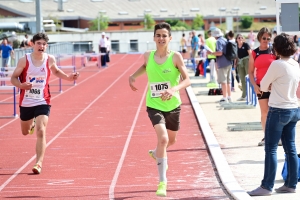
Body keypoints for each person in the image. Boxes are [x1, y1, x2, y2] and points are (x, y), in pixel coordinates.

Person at [128, 22, 190, 197]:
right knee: (162, 139)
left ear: (170, 38)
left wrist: (173, 89)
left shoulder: (176, 57)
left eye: (164, 35)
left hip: (173, 105)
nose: (161, 38)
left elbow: (187, 80)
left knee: (171, 141)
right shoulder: (148, 55)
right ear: (154, 38)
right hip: (154, 104)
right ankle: (162, 182)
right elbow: (145, 66)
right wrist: (133, 76)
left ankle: (156, 154)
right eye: (158, 35)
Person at [10, 32, 80, 174]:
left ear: (46, 46)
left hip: (43, 100)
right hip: (26, 101)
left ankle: (39, 163)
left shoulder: (49, 59)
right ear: (33, 44)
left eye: (44, 44)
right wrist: (21, 85)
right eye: (38, 43)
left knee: (41, 130)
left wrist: (68, 77)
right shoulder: (24, 60)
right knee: (25, 132)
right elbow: (13, 78)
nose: (41, 46)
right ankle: (32, 123)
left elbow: (56, 71)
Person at [248, 33, 300, 196]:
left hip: (278, 108)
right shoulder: (295, 63)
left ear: (276, 48)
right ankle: (291, 184)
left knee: (270, 148)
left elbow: (262, 84)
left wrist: (271, 86)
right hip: (294, 108)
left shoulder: (277, 65)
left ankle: (266, 186)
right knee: (290, 148)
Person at [248, 27, 277, 146]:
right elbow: (250, 72)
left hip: (274, 86)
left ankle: (276, 137)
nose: (266, 40)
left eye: (268, 38)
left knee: (275, 112)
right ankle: (267, 137)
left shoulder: (274, 51)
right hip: (260, 86)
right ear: (259, 38)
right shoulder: (254, 53)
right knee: (264, 112)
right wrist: (254, 85)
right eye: (264, 38)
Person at [209, 28, 233, 103]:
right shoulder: (225, 40)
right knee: (229, 81)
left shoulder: (218, 41)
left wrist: (212, 53)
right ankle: (229, 96)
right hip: (229, 62)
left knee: (223, 81)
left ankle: (224, 97)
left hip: (223, 63)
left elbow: (220, 52)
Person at [235, 34, 251, 101]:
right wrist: (235, 64)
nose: (240, 39)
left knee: (248, 78)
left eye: (242, 37)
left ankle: (249, 95)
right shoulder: (236, 46)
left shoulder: (246, 45)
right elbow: (236, 56)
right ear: (236, 39)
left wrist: (252, 64)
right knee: (242, 79)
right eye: (239, 38)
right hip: (240, 62)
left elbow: (250, 54)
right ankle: (244, 95)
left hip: (246, 61)